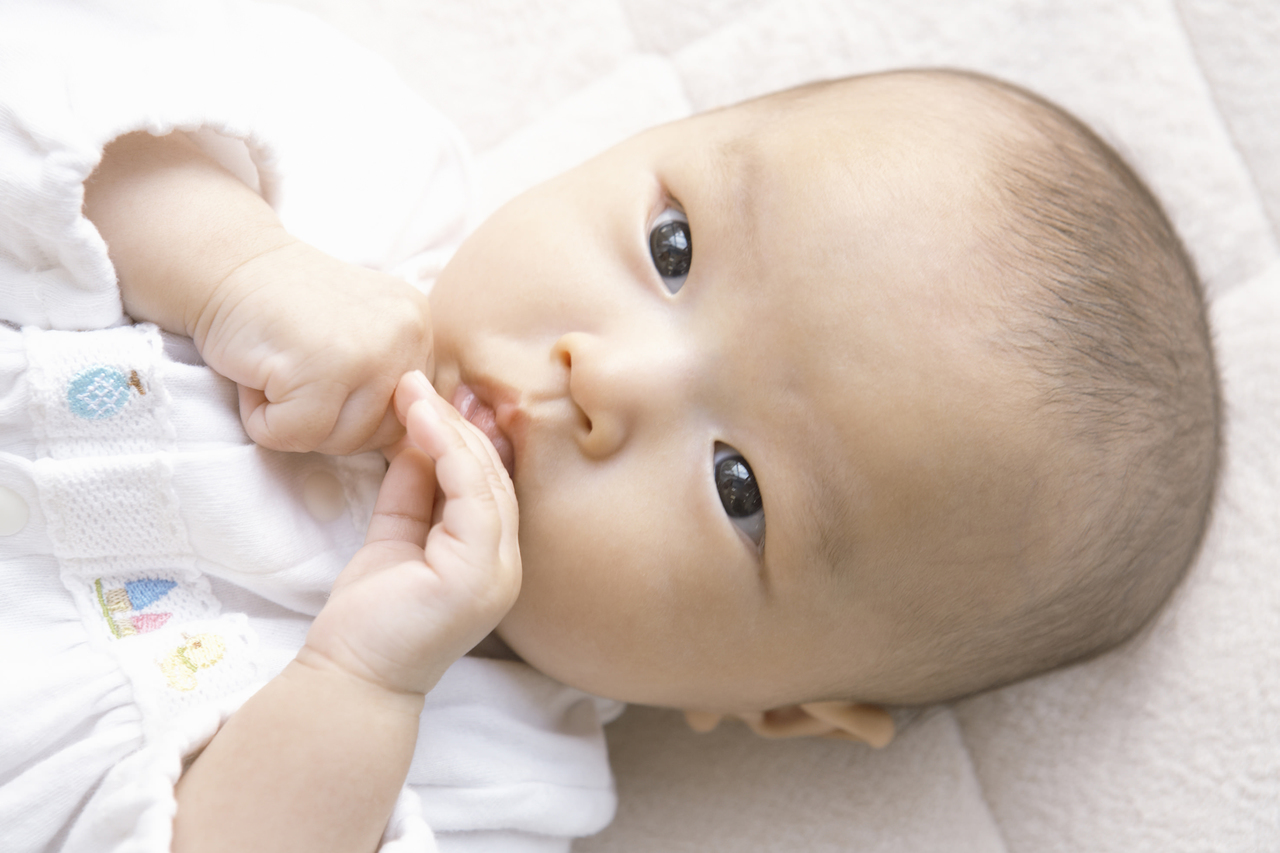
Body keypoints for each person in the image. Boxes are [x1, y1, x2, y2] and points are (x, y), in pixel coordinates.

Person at [0, 2, 1219, 851]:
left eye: (738, 486)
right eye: (671, 249)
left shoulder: (496, 792)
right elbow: (39, 86)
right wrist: (231, 269)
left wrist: (361, 680)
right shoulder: (345, 182)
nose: (605, 378)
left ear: (777, 707)